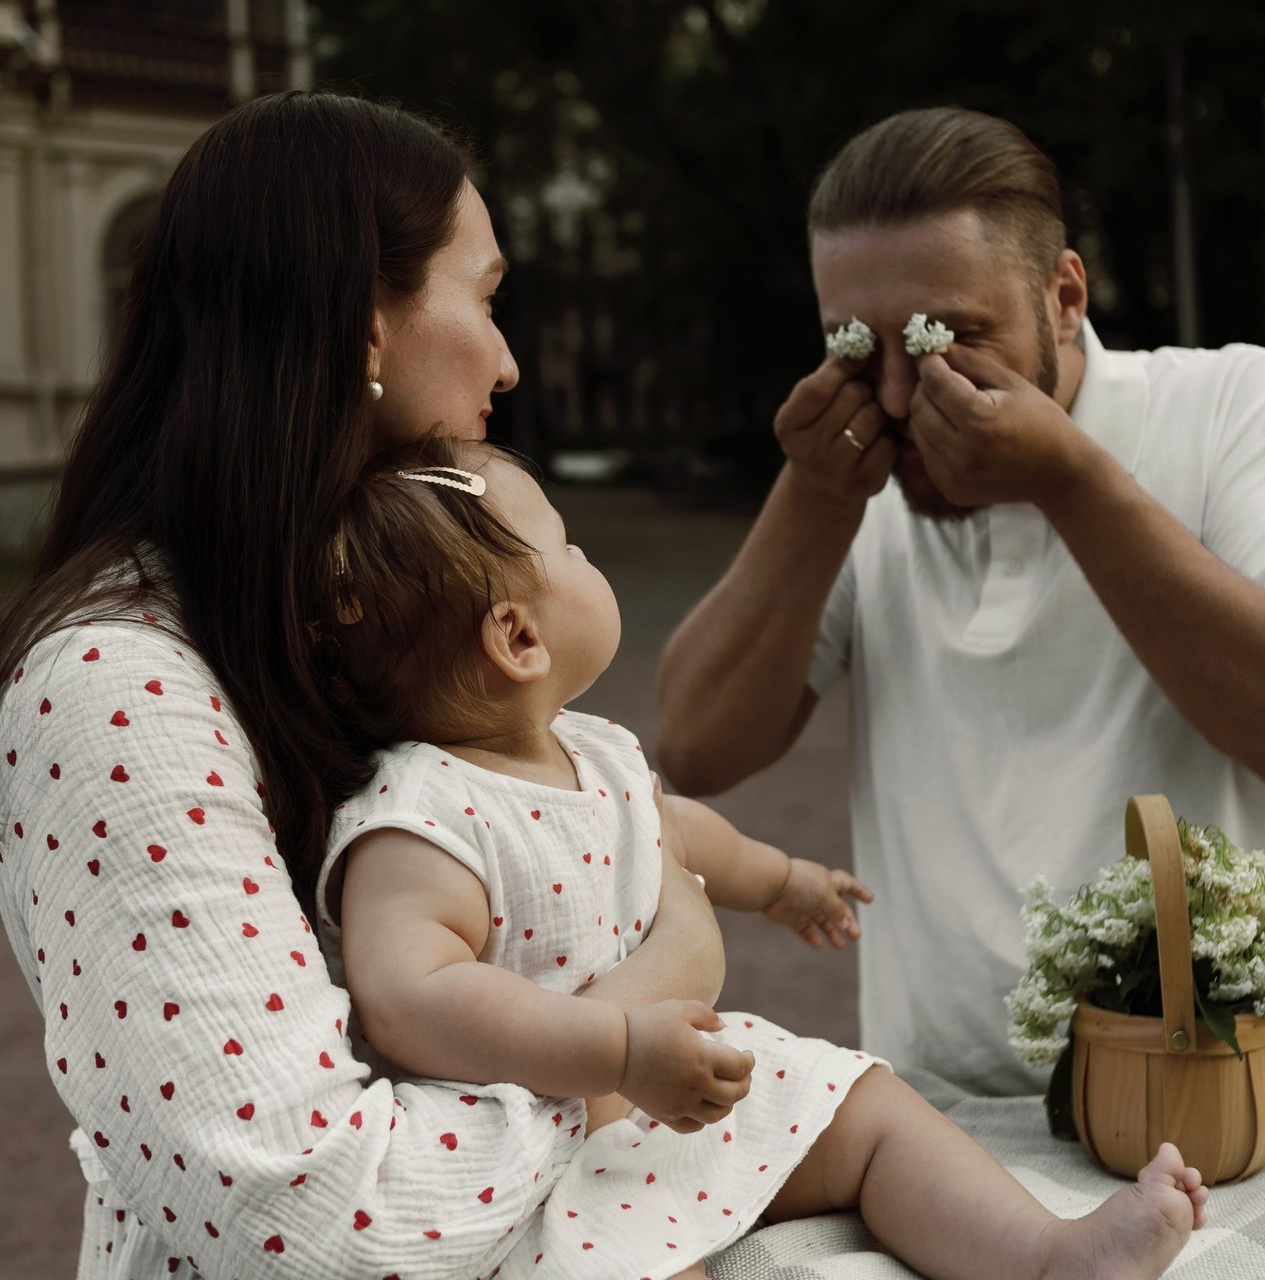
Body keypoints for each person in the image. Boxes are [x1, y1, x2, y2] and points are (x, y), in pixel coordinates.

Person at [0, 90, 724, 1280]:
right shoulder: (113, 683)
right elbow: (309, 1210)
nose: (508, 356)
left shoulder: (322, 615)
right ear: (363, 324)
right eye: (484, 297)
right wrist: (637, 1021)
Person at [312, 433, 1208, 1280]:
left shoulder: (591, 751)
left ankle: (1047, 1255)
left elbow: (678, 830)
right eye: (572, 546)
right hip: (532, 1154)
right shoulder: (420, 813)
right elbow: (408, 996)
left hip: (661, 1093)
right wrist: (616, 1045)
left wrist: (781, 881)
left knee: (859, 1106)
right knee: (625, 1257)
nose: (590, 559)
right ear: (519, 639)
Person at [655, 105, 1265, 1096]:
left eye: (950, 337)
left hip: (1207, 1094)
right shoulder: (865, 475)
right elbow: (696, 743)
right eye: (857, 347)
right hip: (932, 1123)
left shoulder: (1233, 404)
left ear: (1063, 296)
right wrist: (814, 491)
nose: (900, 395)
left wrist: (1070, 481)